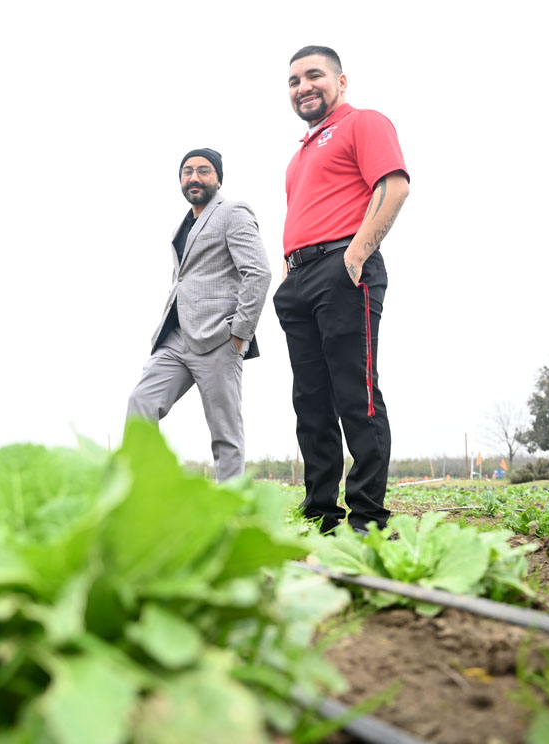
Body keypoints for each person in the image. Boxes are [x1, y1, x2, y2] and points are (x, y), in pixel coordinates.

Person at [273, 46, 409, 534]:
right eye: (293, 81)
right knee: (310, 403)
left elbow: (393, 186)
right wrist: (287, 277)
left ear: (341, 81)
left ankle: (368, 518)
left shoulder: (363, 123)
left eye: (314, 76)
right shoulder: (298, 156)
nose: (303, 86)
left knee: (356, 395)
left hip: (344, 270)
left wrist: (354, 258)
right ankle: (320, 515)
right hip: (299, 281)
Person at [127, 149, 271, 480]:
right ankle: (145, 491)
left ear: (218, 179)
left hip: (218, 338)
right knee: (141, 403)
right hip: (176, 336)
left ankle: (229, 510)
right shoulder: (185, 223)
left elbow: (258, 273)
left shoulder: (233, 212)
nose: (194, 177)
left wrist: (238, 334)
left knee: (225, 431)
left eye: (204, 171)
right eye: (187, 171)